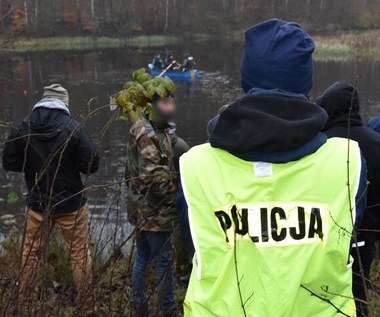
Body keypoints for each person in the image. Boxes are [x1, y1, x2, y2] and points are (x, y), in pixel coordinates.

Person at [178, 19, 366, 317]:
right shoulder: (347, 161)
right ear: (305, 81)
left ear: (246, 79)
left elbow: (194, 244)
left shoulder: (195, 166)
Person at [2, 84, 99, 316]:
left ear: (42, 102)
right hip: (71, 204)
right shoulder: (73, 129)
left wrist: (32, 166)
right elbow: (92, 165)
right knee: (79, 255)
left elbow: (9, 162)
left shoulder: (23, 127)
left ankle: (25, 305)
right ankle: (87, 308)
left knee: (30, 255)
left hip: (37, 204)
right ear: (64, 104)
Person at [316, 81, 380, 317]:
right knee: (358, 294)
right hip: (367, 237)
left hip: (326, 238)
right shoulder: (376, 143)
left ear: (329, 107)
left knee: (326, 296)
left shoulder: (320, 144)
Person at [127, 93, 178, 316]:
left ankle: (140, 306)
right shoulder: (145, 131)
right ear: (153, 105)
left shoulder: (159, 128)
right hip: (154, 211)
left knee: (144, 256)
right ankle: (167, 310)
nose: (172, 107)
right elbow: (154, 175)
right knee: (164, 261)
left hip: (142, 209)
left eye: (172, 102)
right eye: (166, 102)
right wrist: (176, 200)